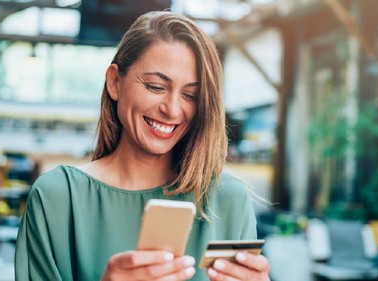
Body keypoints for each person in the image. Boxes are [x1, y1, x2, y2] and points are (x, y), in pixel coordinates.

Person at [15, 11, 271, 281]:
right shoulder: (58, 197)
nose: (172, 110)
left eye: (190, 95)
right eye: (156, 86)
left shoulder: (228, 199)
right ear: (115, 81)